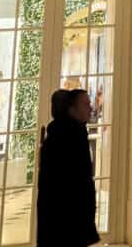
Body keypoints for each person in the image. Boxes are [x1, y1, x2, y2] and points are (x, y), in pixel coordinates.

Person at [37, 89, 99, 247]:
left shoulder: (63, 134)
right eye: (86, 104)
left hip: (62, 222)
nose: (90, 108)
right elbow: (75, 184)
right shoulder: (72, 138)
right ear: (71, 110)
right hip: (68, 223)